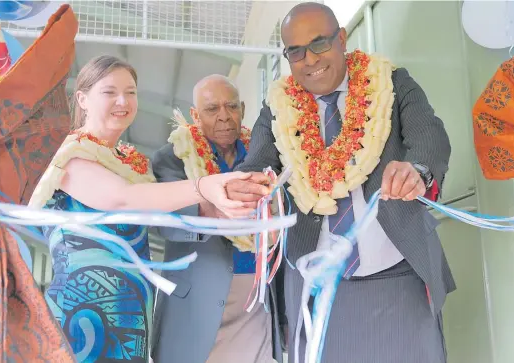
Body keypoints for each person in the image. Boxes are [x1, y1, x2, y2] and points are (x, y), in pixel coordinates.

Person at [226, 3, 454, 362]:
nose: (310, 59)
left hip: (397, 272)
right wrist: (253, 192)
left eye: (319, 43)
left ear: (342, 39)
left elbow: (430, 136)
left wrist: (417, 171)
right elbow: (258, 163)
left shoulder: (392, 83)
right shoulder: (276, 110)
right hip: (318, 285)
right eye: (295, 51)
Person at [27, 56, 253, 363]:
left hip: (131, 319)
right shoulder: (70, 156)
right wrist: (204, 185)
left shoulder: (130, 163)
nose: (123, 101)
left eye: (130, 92)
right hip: (80, 314)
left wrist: (236, 201)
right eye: (110, 92)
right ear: (82, 98)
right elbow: (123, 197)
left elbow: (168, 210)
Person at [150, 74, 284, 363]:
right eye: (212, 109)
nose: (224, 117)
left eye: (231, 106)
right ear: (195, 116)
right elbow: (167, 222)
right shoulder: (171, 157)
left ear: (243, 110)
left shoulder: (265, 154)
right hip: (198, 301)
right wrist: (225, 210)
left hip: (257, 299)